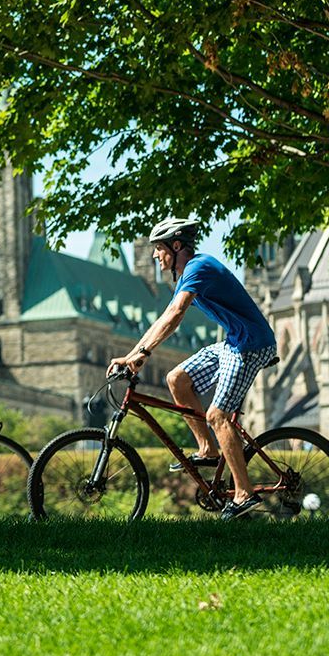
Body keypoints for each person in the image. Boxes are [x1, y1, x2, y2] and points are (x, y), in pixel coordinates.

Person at [108, 217, 278, 519]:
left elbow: (176, 315)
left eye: (159, 249)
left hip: (252, 344)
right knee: (177, 379)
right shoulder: (187, 275)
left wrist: (143, 354)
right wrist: (131, 355)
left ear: (176, 246)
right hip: (234, 342)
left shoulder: (199, 268)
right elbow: (163, 318)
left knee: (217, 415)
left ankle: (244, 493)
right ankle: (208, 449)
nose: (155, 256)